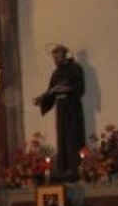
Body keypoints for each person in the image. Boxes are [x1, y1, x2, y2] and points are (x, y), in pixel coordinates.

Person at [33, 44, 85, 178]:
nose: (55, 60)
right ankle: (64, 169)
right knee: (62, 138)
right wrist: (43, 99)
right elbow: (52, 90)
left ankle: (75, 168)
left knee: (73, 137)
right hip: (61, 109)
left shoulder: (75, 69)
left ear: (64, 54)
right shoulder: (56, 73)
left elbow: (80, 87)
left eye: (58, 56)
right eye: (54, 57)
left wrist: (67, 89)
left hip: (72, 108)